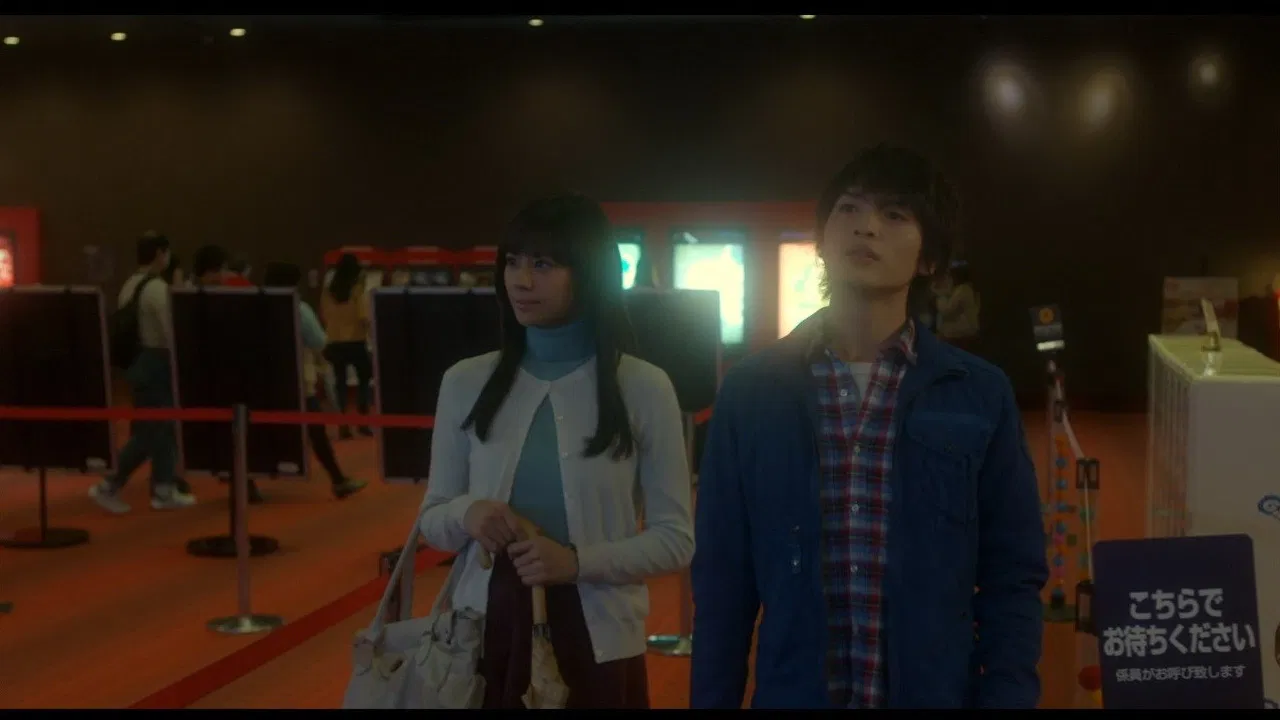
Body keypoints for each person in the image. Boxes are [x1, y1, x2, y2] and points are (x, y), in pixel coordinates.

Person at [690, 144, 1047, 709]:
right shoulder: (752, 392)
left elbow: (1012, 577)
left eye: (894, 214)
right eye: (849, 208)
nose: (866, 227)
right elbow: (721, 583)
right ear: (822, 239)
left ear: (929, 259)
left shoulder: (978, 393)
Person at [417, 194, 695, 709]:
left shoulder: (642, 386)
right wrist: (468, 513)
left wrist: (576, 562)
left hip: (598, 634)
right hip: (486, 633)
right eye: (513, 262)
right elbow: (432, 518)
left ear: (589, 273)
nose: (521, 281)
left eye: (543, 264)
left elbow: (675, 540)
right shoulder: (466, 381)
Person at [90, 232, 197, 513]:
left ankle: (163, 488)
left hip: (139, 363)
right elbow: (170, 331)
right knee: (152, 430)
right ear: (161, 253)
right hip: (156, 363)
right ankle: (109, 484)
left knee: (162, 428)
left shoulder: (131, 283)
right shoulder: (156, 288)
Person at [261, 262, 367, 500]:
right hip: (295, 380)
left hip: (262, 380)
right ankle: (338, 480)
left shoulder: (256, 306)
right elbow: (318, 341)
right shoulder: (298, 308)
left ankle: (244, 484)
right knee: (316, 430)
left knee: (255, 431)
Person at [320, 253, 373, 439]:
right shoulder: (357, 289)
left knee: (340, 382)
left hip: (334, 342)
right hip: (356, 341)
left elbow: (324, 315)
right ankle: (363, 421)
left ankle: (343, 424)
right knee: (365, 378)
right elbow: (364, 316)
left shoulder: (328, 291)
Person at [934, 262, 981, 350]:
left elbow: (947, 310)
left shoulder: (963, 290)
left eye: (952, 276)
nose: (951, 279)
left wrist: (939, 297)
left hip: (966, 329)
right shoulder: (966, 288)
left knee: (942, 334)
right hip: (970, 327)